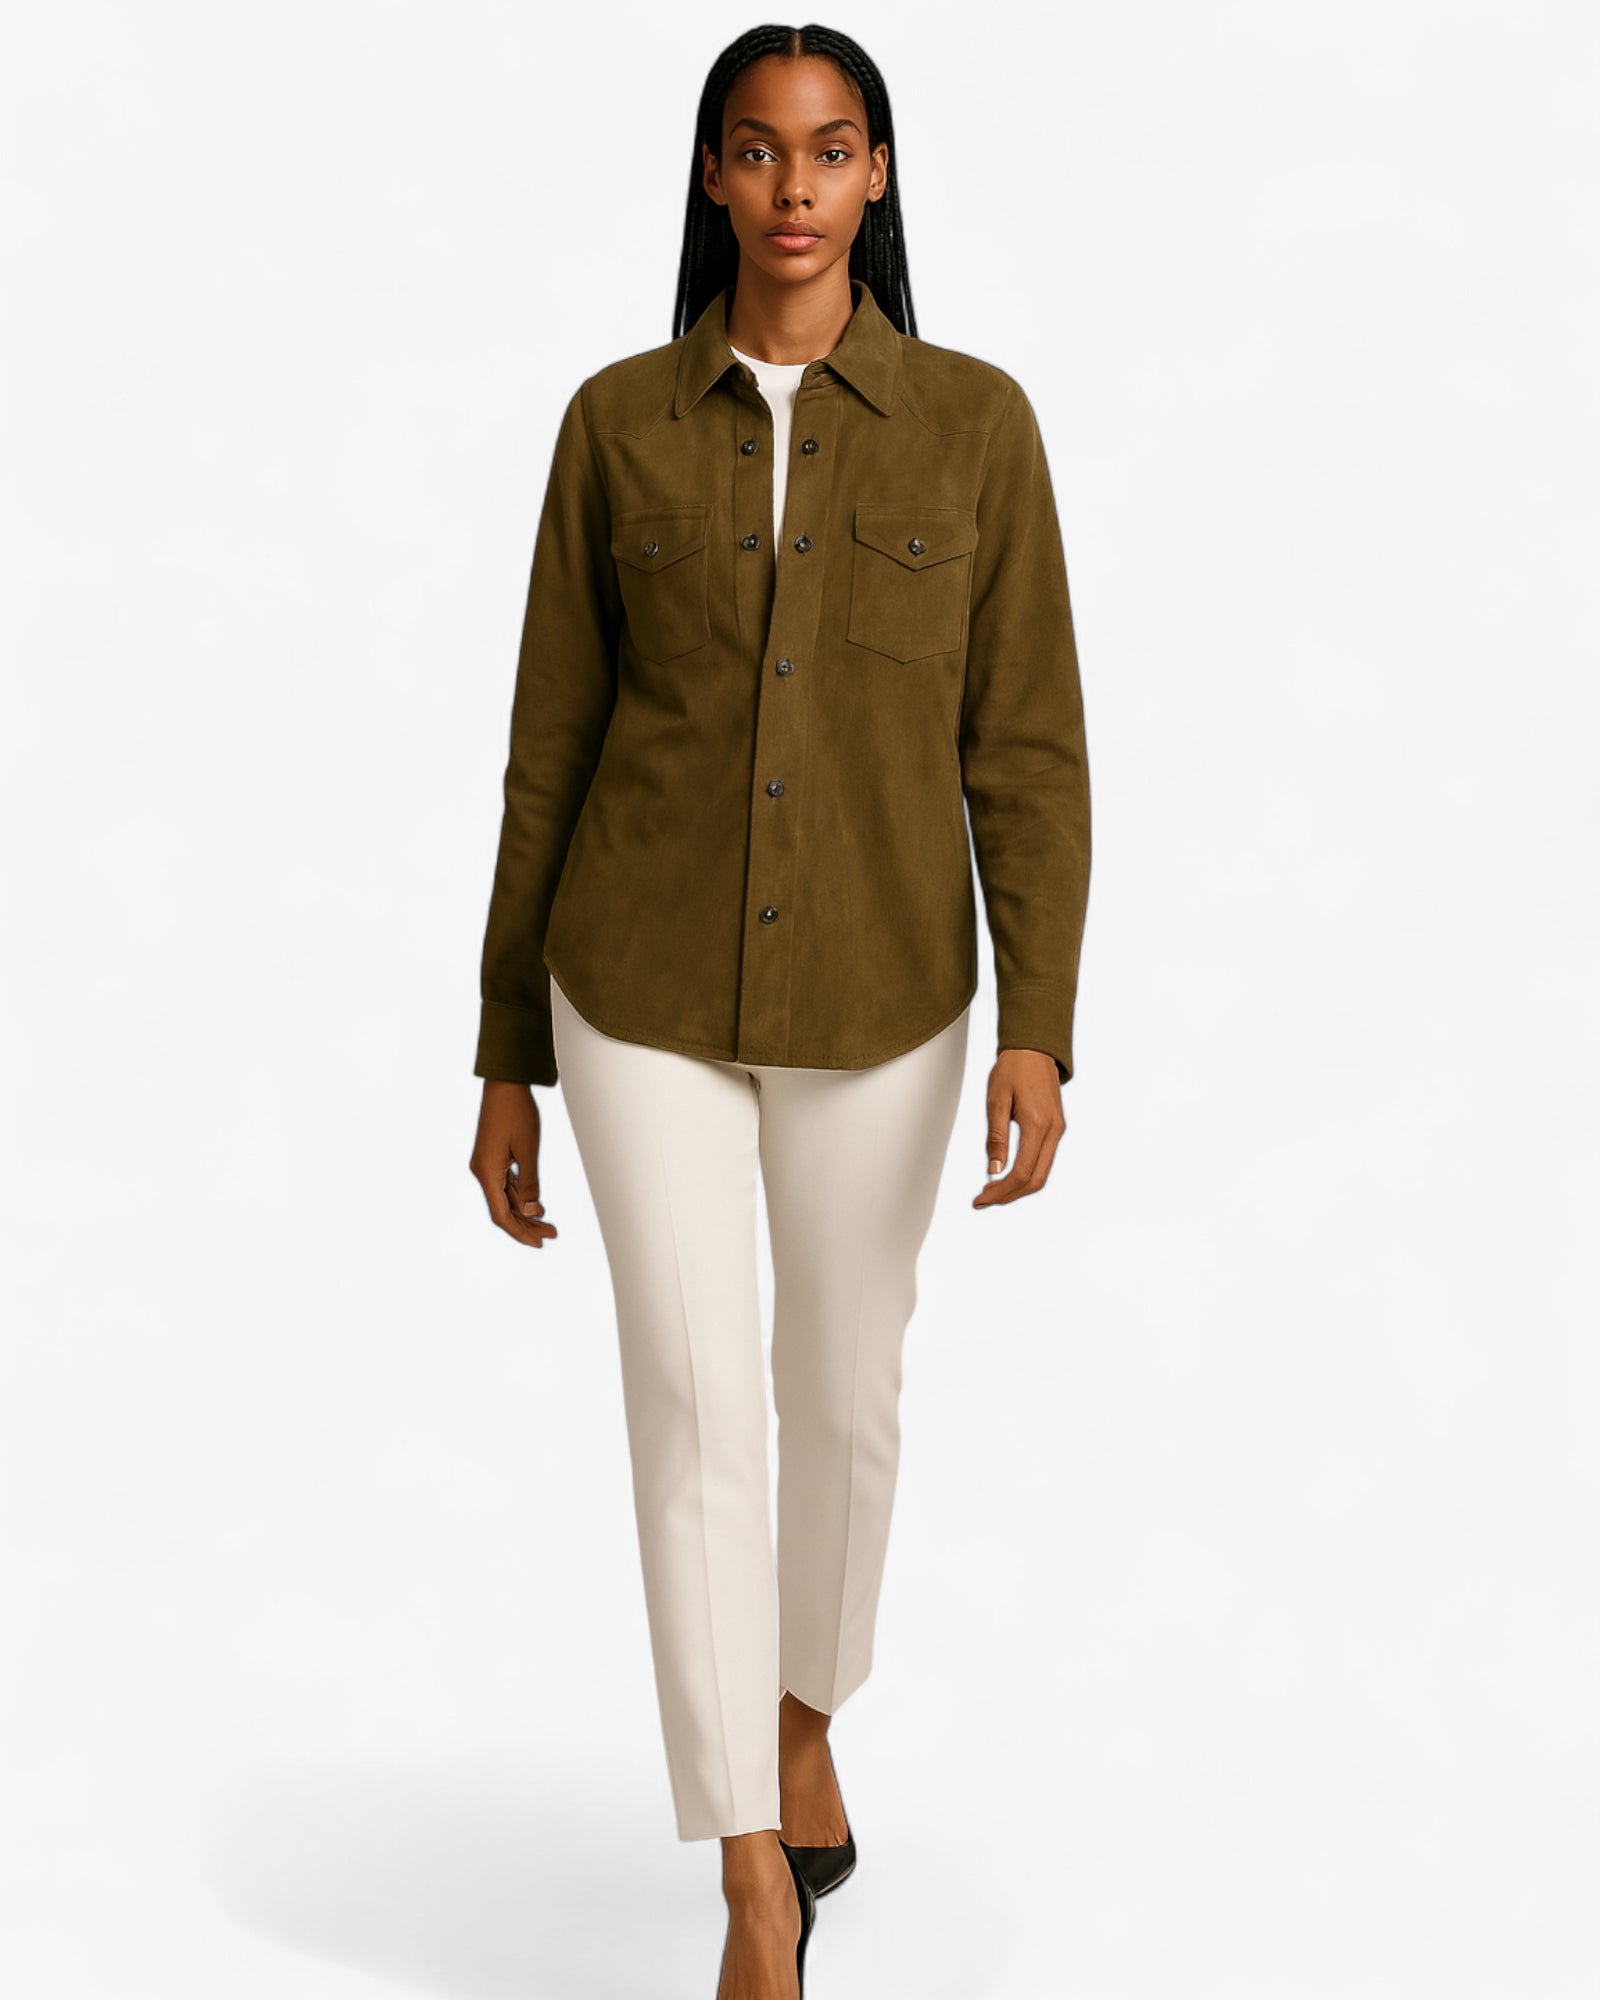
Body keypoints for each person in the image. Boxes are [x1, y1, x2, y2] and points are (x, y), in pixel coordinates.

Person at [467, 24, 1091, 1999]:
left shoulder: (976, 427)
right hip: (634, 981)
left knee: (839, 1393)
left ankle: (804, 1709)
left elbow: (1027, 747)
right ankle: (752, 1864)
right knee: (688, 1403)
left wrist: (1038, 1017)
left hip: (886, 990)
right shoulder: (616, 426)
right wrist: (506, 1047)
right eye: (756, 151)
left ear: (876, 176)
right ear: (712, 179)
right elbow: (547, 748)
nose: (794, 186)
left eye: (829, 150)